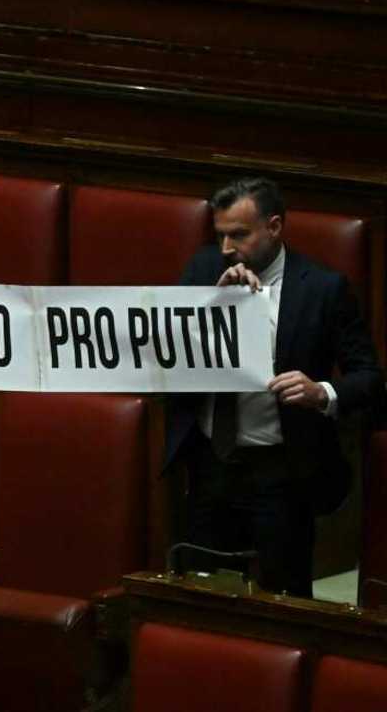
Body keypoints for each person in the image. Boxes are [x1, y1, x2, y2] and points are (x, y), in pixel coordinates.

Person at [165, 177, 384, 597]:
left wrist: (323, 392)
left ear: (275, 227)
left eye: (239, 235)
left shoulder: (322, 289)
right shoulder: (203, 271)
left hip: (281, 472)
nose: (227, 247)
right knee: (202, 596)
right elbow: (169, 354)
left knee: (284, 598)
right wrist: (213, 306)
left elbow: (370, 379)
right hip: (210, 463)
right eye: (221, 234)